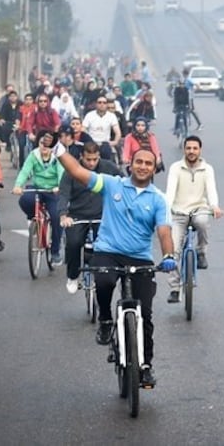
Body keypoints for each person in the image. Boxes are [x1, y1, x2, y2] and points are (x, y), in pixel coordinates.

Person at [49, 140, 176, 388]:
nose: (142, 166)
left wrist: (169, 256)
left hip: (140, 257)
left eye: (148, 163)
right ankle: (106, 320)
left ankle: (146, 366)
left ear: (154, 169)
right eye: (138, 162)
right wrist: (58, 148)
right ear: (130, 165)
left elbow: (163, 232)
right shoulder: (111, 184)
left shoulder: (159, 199)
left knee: (146, 315)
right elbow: (77, 171)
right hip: (108, 251)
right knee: (104, 282)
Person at [163, 135, 224, 303]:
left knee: (203, 222)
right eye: (188, 148)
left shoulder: (207, 169)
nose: (191, 151)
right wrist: (166, 210)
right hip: (178, 213)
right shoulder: (176, 168)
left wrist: (215, 206)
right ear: (184, 150)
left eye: (195, 148)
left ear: (200, 150)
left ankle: (201, 252)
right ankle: (175, 288)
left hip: (199, 209)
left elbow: (211, 190)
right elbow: (170, 191)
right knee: (173, 249)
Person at [58, 141, 122, 294]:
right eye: (88, 159)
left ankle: (106, 273)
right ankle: (73, 275)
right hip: (77, 216)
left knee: (108, 245)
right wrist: (63, 215)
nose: (92, 163)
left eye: (95, 159)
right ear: (81, 157)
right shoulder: (71, 170)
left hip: (103, 215)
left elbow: (124, 184)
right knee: (73, 243)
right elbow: (64, 194)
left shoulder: (109, 168)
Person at [12, 131, 65, 265]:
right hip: (37, 188)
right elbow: (25, 171)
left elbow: (62, 173)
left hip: (53, 191)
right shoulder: (33, 155)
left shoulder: (58, 156)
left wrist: (59, 186)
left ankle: (55, 251)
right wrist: (18, 185)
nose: (45, 147)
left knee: (56, 216)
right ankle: (33, 219)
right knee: (24, 200)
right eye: (42, 143)